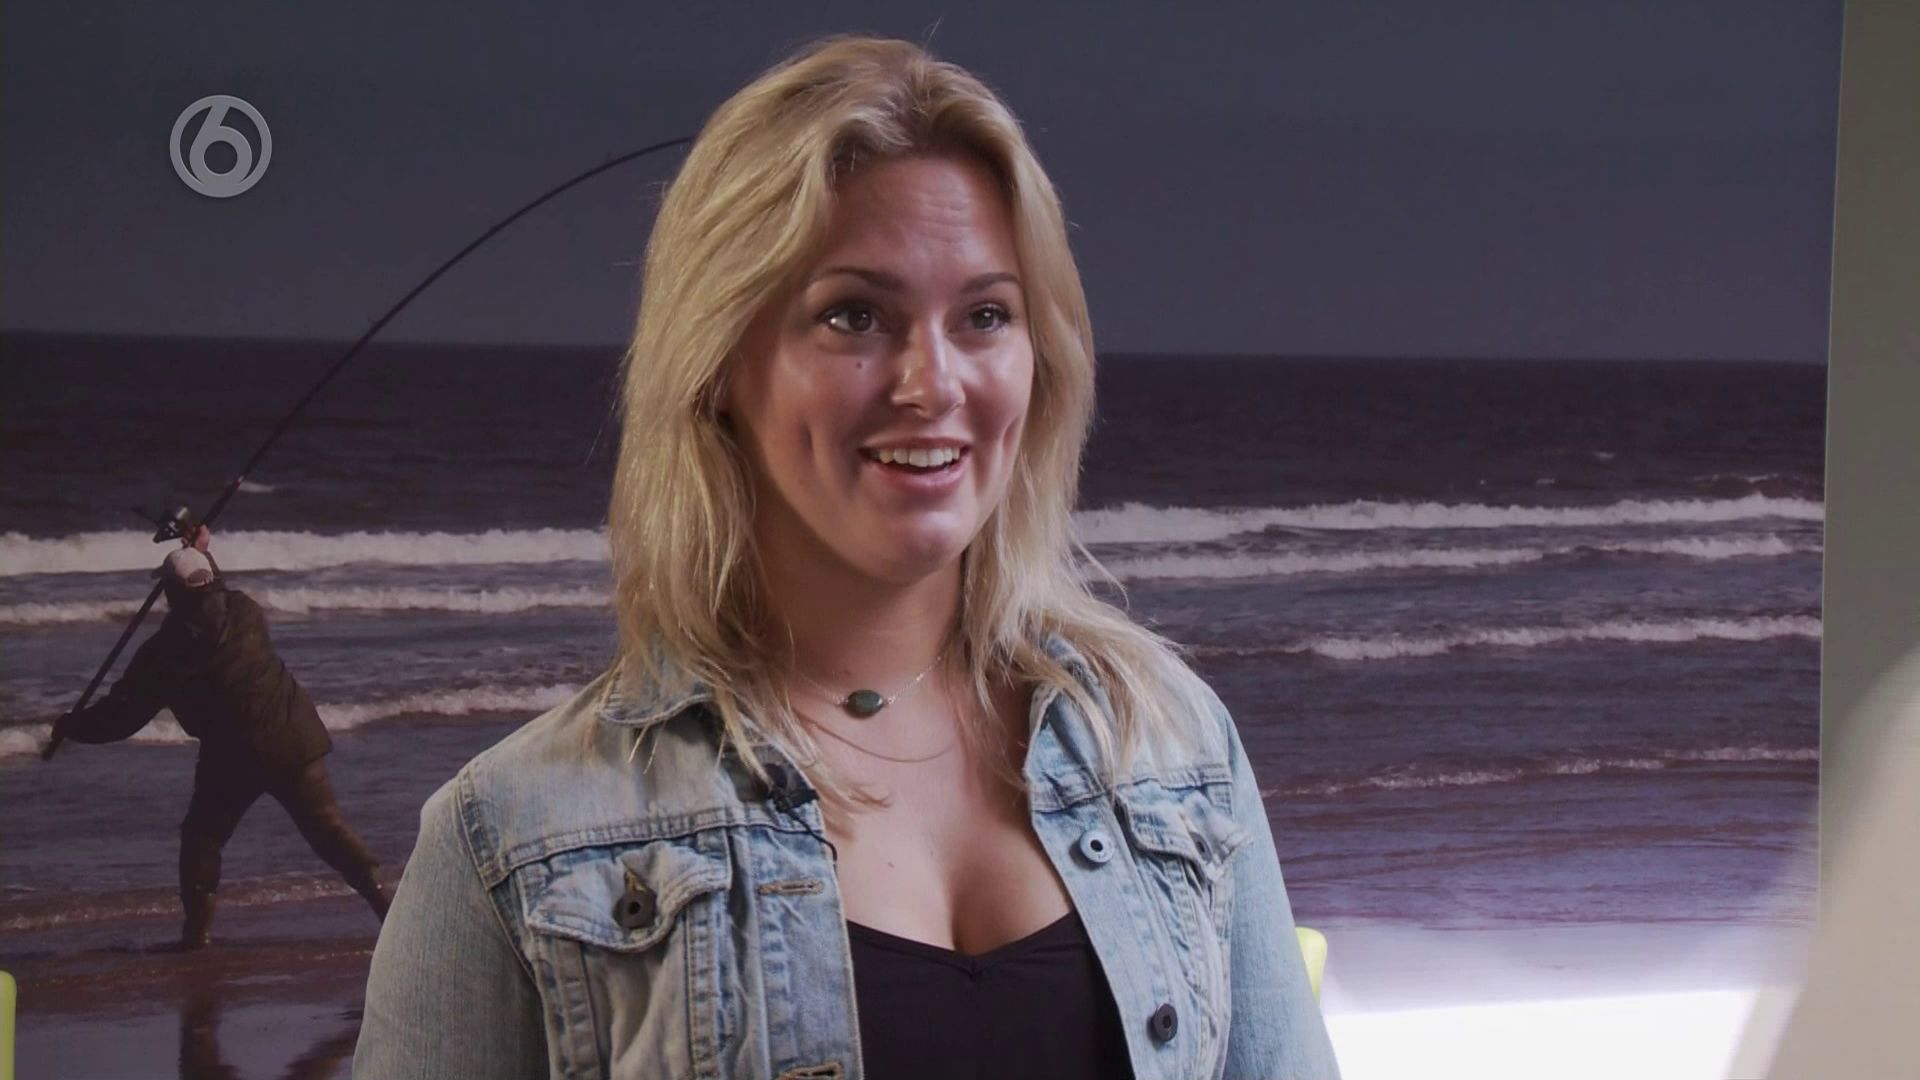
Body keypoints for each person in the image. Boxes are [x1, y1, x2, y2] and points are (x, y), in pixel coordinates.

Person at [354, 34, 1340, 1080]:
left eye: (986, 316)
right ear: (719, 364)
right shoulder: (516, 840)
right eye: (854, 315)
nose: (933, 384)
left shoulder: (1172, 746)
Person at [49, 524, 391, 949]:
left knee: (202, 839)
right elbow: (215, 589)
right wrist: (201, 552)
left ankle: (197, 936)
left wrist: (71, 726)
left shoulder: (162, 653)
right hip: (293, 739)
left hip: (231, 759)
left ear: (171, 594)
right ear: (209, 580)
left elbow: (120, 718)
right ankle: (390, 909)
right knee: (330, 831)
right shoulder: (246, 611)